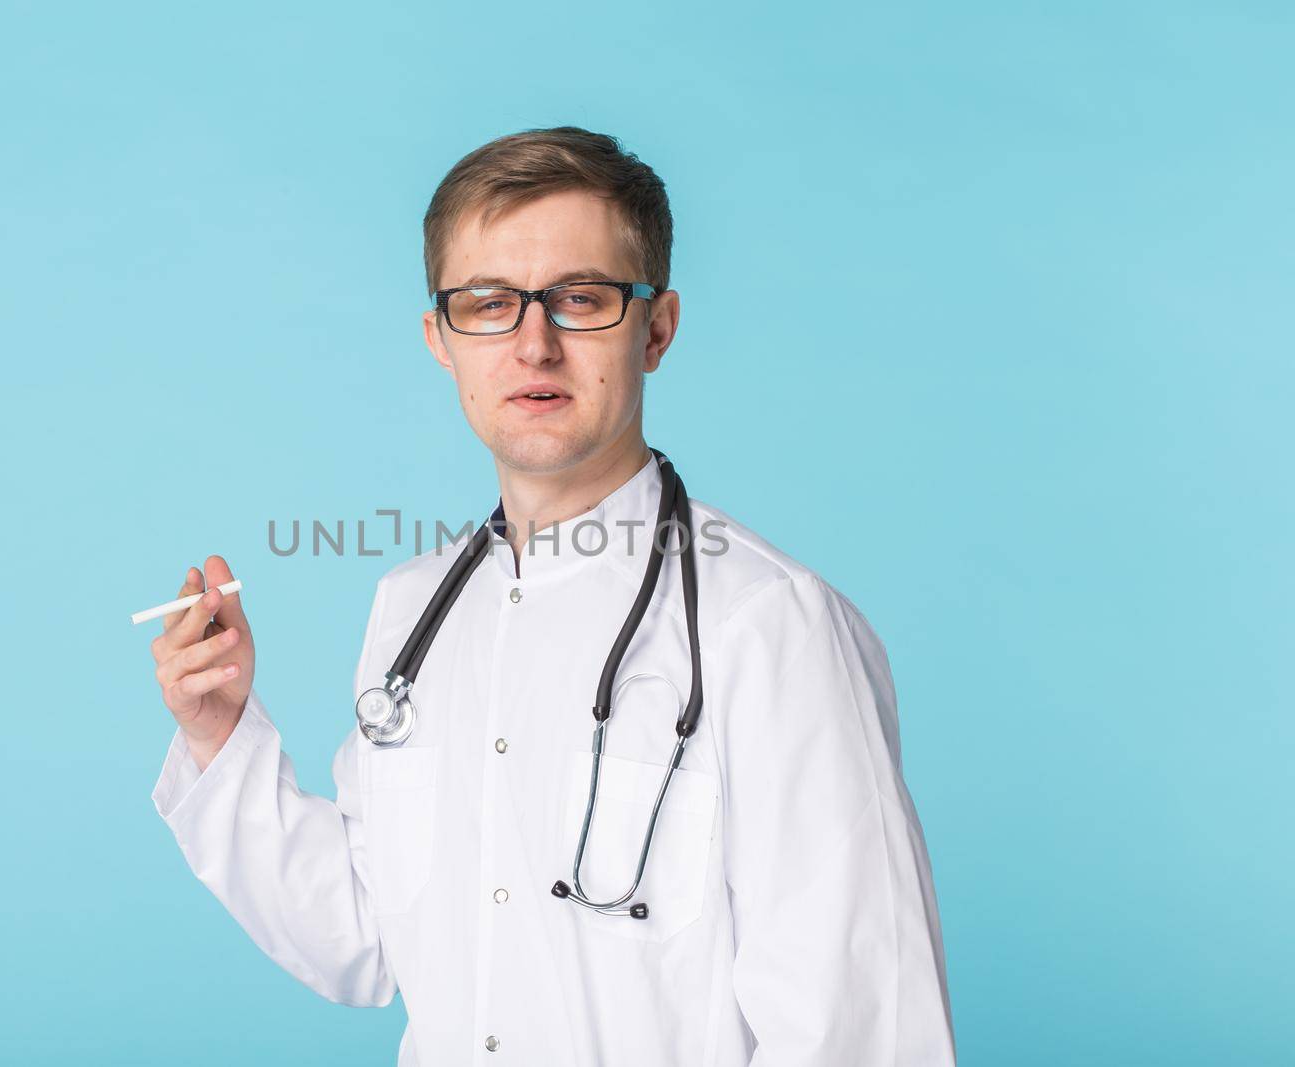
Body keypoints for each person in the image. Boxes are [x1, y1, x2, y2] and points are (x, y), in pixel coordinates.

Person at [147, 126, 957, 1066]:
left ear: (656, 328)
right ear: (440, 339)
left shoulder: (770, 624)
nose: (534, 344)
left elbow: (866, 1029)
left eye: (582, 299)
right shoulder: (412, 612)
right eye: (488, 303)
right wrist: (219, 732)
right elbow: (362, 939)